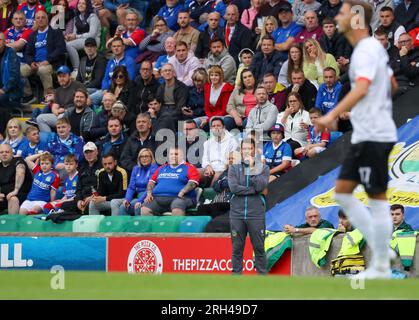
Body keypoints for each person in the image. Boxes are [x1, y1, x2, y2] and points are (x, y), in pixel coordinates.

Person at [316, 0, 399, 279]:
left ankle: (381, 265)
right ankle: (382, 251)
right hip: (368, 132)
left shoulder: (365, 50)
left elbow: (363, 86)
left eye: (341, 13)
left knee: (375, 196)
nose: (336, 17)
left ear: (354, 18)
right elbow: (391, 83)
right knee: (343, 192)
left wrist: (333, 115)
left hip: (373, 134)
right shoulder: (371, 48)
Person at [229, 138, 270, 275]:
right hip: (237, 214)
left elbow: (260, 185)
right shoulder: (234, 168)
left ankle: (262, 278)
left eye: (250, 148)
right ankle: (236, 278)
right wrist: (253, 191)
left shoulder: (263, 168)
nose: (247, 151)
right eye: (244, 149)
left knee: (259, 248)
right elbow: (234, 188)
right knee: (237, 248)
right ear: (241, 151)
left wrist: (252, 169)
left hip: (256, 214)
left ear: (254, 150)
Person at [141, 145, 201, 216]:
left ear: (183, 156)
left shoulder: (189, 167)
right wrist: (149, 193)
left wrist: (183, 191)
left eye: (176, 154)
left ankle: (176, 227)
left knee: (177, 205)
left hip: (180, 198)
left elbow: (193, 183)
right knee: (145, 208)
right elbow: (151, 182)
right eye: (171, 154)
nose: (173, 156)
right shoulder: (162, 168)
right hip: (158, 198)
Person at [21, 11, 66, 101]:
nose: (40, 19)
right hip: (35, 63)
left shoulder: (56, 32)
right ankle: (29, 95)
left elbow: (60, 49)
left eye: (43, 17)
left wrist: (47, 61)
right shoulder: (32, 35)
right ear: (35, 21)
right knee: (19, 70)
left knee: (42, 70)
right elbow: (28, 53)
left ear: (47, 19)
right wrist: (31, 62)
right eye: (38, 18)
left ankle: (49, 98)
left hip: (51, 64)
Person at [36, 65, 85, 132]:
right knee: (40, 118)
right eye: (60, 76)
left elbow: (86, 100)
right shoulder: (58, 91)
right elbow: (54, 107)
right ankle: (50, 139)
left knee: (62, 117)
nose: (61, 78)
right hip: (61, 115)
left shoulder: (77, 85)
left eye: (64, 76)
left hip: (75, 114)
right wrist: (57, 111)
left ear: (70, 76)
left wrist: (66, 110)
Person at [110, 148, 158, 216]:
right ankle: (123, 226)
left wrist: (139, 201)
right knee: (123, 207)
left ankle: (138, 226)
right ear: (139, 158)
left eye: (146, 156)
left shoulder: (154, 168)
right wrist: (127, 199)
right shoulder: (136, 169)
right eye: (142, 156)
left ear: (151, 157)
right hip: (138, 196)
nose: (144, 158)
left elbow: (150, 188)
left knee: (137, 206)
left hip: (149, 196)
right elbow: (131, 187)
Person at [60, 141, 102, 215]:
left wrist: (93, 197)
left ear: (96, 152)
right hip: (83, 199)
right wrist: (79, 200)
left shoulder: (102, 166)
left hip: (96, 198)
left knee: (90, 205)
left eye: (91, 152)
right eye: (86, 152)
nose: (89, 154)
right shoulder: (82, 168)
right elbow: (78, 189)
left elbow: (104, 187)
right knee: (64, 205)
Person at [65, 0, 101, 79]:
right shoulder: (76, 17)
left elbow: (92, 34)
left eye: (83, 3)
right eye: (79, 3)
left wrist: (76, 37)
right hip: (82, 39)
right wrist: (70, 37)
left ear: (87, 5)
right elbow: (75, 32)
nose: (80, 5)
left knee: (69, 45)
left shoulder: (92, 16)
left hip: (93, 40)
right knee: (65, 43)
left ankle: (76, 69)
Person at [201, 117, 239, 187]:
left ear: (224, 127)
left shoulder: (232, 141)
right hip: (210, 168)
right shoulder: (207, 143)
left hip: (223, 169)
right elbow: (205, 159)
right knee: (194, 173)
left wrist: (219, 170)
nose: (216, 128)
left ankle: (211, 196)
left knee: (218, 175)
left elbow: (232, 161)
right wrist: (208, 166)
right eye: (213, 126)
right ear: (211, 129)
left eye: (218, 125)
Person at [0, 144, 33, 215]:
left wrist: (16, 190)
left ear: (12, 153)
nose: (4, 154)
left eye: (7, 152)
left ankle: (12, 224)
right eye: (1, 152)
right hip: (4, 196)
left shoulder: (18, 161)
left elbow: (20, 173)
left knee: (13, 199)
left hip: (21, 194)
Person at [199, 65, 234, 129]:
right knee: (192, 122)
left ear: (221, 76)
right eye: (211, 75)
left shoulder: (226, 88)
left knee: (213, 122)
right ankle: (182, 139)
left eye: (216, 75)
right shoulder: (207, 87)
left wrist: (210, 119)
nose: (213, 77)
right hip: (210, 116)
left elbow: (224, 110)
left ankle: (213, 139)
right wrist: (209, 118)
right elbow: (206, 108)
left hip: (224, 116)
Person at [0, 32, 22, 110]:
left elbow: (14, 76)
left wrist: (4, 89)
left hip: (11, 94)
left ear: (5, 42)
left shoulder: (11, 54)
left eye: (0, 40)